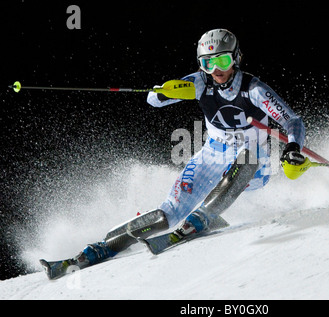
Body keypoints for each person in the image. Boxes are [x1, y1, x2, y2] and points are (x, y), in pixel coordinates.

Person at [40, 29, 308, 279]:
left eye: (223, 61)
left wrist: (293, 147)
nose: (216, 70)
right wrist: (164, 91)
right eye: (208, 64)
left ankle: (202, 218)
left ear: (236, 58)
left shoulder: (254, 89)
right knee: (166, 215)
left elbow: (292, 121)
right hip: (212, 154)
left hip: (254, 164)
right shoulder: (199, 83)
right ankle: (100, 248)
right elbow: (153, 101)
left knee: (246, 160)